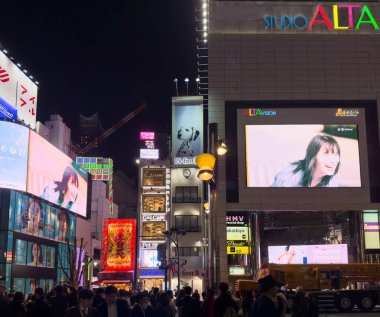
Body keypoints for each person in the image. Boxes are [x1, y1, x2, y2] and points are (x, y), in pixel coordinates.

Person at [272, 135, 341, 187]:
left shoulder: (332, 178)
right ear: (313, 157)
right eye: (326, 154)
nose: (333, 160)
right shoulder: (289, 177)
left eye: (336, 154)